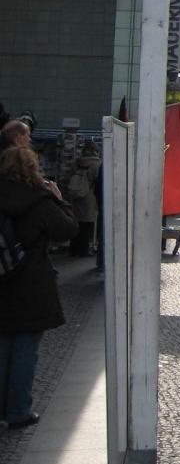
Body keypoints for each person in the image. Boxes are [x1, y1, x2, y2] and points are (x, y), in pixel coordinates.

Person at [0, 146, 78, 428]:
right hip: (31, 283)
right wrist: (60, 200)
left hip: (2, 280)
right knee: (25, 349)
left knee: (3, 346)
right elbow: (68, 230)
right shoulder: (39, 200)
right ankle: (18, 411)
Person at [67, 141, 100, 258]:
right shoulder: (97, 164)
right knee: (87, 224)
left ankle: (73, 249)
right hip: (89, 196)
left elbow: (69, 177)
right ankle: (83, 250)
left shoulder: (75, 163)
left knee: (76, 223)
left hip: (75, 196)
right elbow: (98, 181)